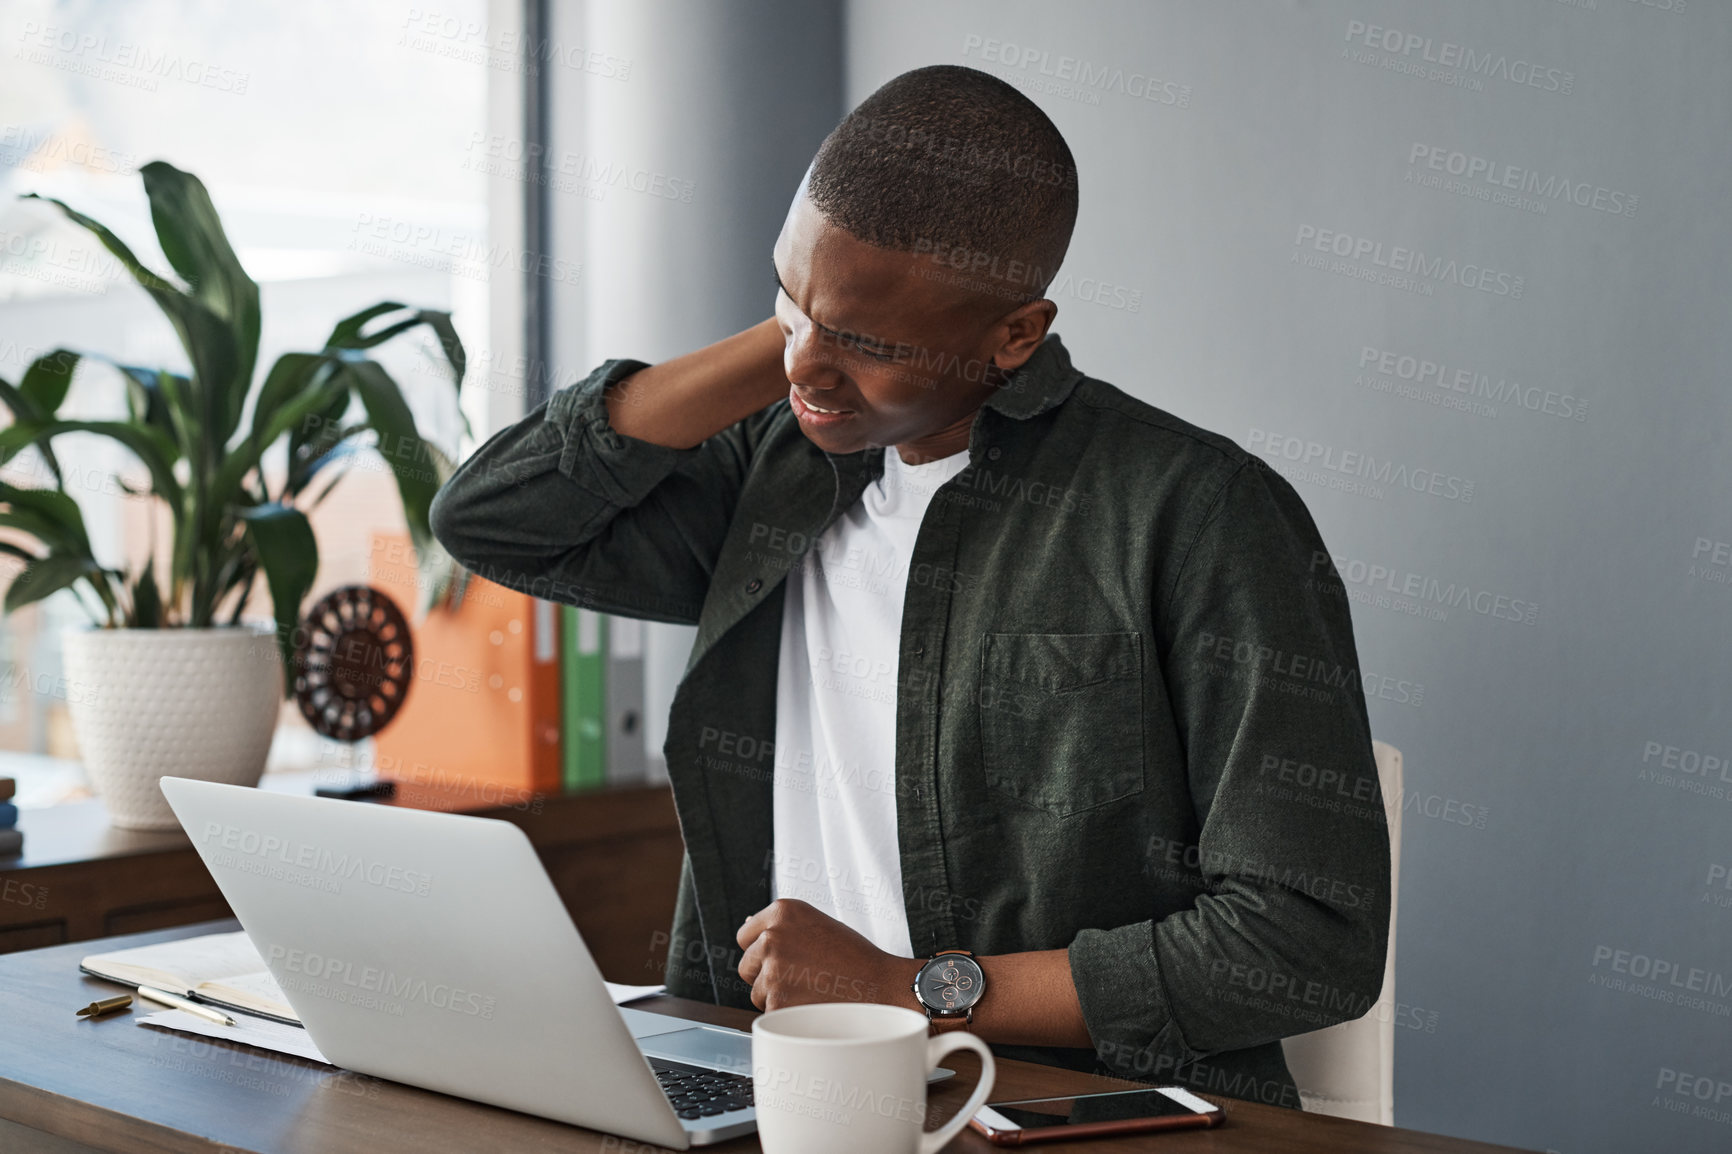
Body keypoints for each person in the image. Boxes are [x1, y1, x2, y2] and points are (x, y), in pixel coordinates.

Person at [430, 63, 1390, 1108]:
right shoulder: (775, 472)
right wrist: (817, 326)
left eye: (873, 344)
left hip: (1057, 1109)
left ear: (1014, 336)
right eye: (788, 299)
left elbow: (1306, 939)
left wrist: (914, 990)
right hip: (772, 1081)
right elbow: (491, 518)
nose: (807, 371)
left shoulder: (1198, 512)